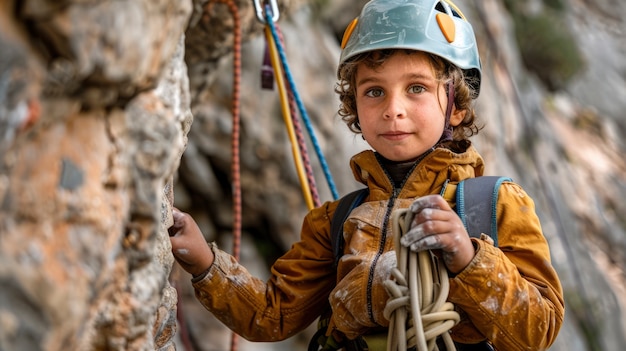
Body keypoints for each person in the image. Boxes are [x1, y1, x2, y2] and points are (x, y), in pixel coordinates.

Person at [168, 0, 565, 350]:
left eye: (417, 88)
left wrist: (468, 259)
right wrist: (205, 262)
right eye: (374, 91)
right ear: (354, 107)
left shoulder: (494, 205)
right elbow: (274, 316)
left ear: (456, 105)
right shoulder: (335, 222)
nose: (394, 108)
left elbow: (540, 328)